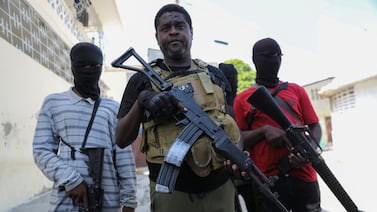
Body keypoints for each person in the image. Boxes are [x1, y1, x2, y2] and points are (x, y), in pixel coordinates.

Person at [116, 4, 240, 212]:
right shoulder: (141, 80)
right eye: (166, 28)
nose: (173, 31)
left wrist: (237, 158)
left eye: (180, 25)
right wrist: (142, 101)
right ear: (157, 37)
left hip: (220, 189)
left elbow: (232, 126)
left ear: (191, 32)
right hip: (172, 194)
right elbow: (121, 139)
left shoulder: (214, 75)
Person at [33, 42, 137, 212]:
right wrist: (71, 179)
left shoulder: (112, 108)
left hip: (108, 203)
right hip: (66, 202)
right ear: (73, 66)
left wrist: (130, 201)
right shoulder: (53, 103)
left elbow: (123, 157)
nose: (88, 70)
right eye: (82, 65)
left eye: (94, 66)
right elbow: (41, 150)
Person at [233, 37, 322, 212]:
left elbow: (314, 126)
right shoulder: (243, 99)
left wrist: (307, 152)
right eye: (267, 55)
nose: (273, 60)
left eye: (277, 55)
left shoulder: (296, 90)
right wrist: (264, 131)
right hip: (268, 180)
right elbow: (239, 137)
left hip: (304, 174)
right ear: (255, 60)